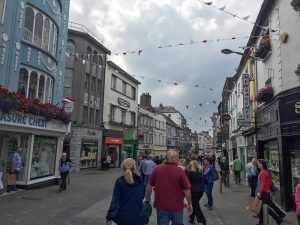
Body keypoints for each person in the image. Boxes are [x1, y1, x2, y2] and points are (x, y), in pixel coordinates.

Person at [145, 149, 193, 225]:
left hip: (161, 206)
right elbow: (186, 190)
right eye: (177, 157)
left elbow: (149, 187)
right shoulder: (180, 171)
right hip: (177, 207)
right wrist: (190, 204)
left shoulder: (157, 169)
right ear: (172, 158)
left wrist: (147, 199)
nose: (178, 158)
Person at [106, 158, 145, 225]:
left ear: (123, 167)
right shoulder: (140, 182)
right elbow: (141, 197)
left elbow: (115, 201)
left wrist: (109, 217)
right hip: (138, 216)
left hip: (123, 217)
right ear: (134, 167)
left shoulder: (120, 181)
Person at [256, 159, 285, 225]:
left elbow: (263, 183)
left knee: (266, 209)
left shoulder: (263, 172)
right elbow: (268, 183)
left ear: (263, 164)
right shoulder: (264, 171)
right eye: (258, 163)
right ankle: (261, 222)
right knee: (261, 209)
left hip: (263, 194)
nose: (259, 165)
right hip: (265, 193)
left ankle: (279, 220)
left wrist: (260, 192)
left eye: (260, 163)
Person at [187, 160, 206, 225]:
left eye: (190, 164)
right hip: (200, 191)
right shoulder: (200, 172)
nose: (189, 165)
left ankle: (203, 221)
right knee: (194, 205)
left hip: (194, 192)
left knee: (196, 207)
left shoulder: (191, 173)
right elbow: (204, 180)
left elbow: (187, 182)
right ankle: (192, 218)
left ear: (192, 165)